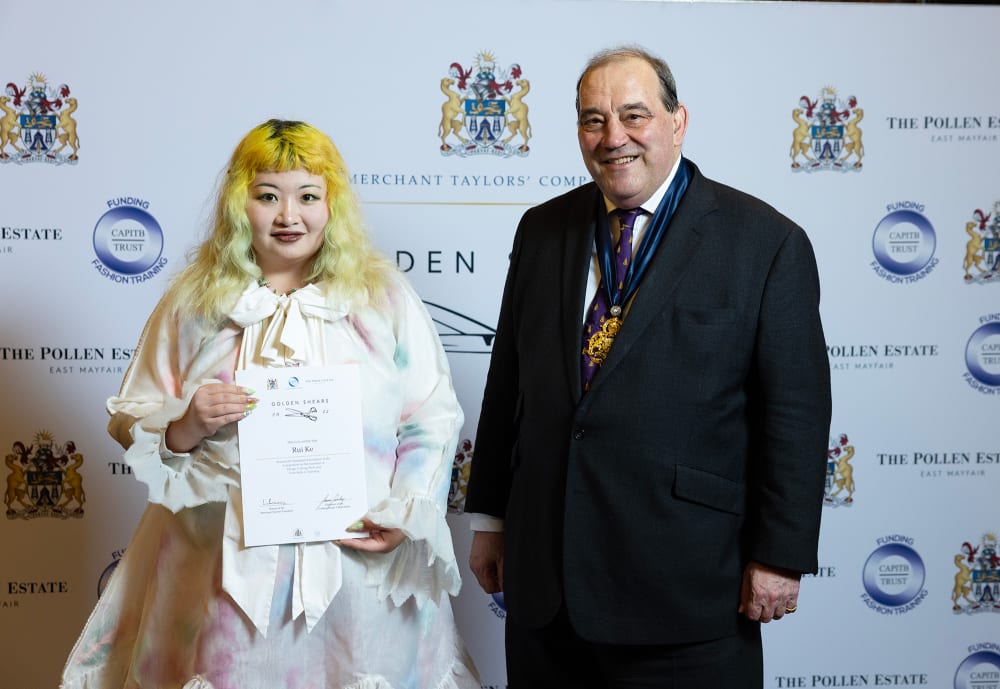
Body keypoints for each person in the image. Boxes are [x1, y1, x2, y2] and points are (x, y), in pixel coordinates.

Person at [61, 119, 479, 689]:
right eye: (268, 196)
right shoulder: (195, 300)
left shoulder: (382, 297)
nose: (289, 216)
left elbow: (430, 414)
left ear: (331, 205)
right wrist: (185, 425)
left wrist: (406, 510)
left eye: (308, 196)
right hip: (217, 570)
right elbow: (132, 412)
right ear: (241, 204)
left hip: (357, 567)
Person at [464, 46, 832, 688]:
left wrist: (779, 556)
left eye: (634, 115)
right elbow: (509, 382)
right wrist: (491, 520)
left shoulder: (765, 243)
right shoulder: (542, 229)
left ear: (677, 120)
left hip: (687, 588)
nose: (614, 138)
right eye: (592, 120)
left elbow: (795, 415)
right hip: (547, 586)